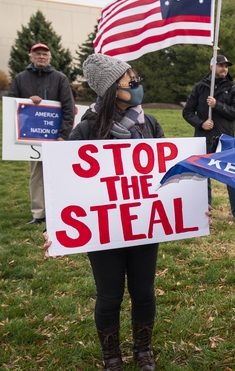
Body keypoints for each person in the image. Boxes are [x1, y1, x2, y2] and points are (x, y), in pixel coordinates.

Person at [68, 53, 164, 371]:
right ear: (111, 89)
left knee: (143, 290)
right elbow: (66, 185)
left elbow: (168, 174)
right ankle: (111, 355)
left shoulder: (148, 125)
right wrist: (53, 225)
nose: (137, 85)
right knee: (109, 295)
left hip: (143, 224)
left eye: (136, 79)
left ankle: (143, 350)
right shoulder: (85, 131)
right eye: (130, 80)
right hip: (103, 227)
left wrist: (192, 205)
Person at [8, 43, 74, 225]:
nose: (41, 57)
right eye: (37, 54)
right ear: (31, 57)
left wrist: (62, 136)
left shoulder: (60, 78)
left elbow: (69, 109)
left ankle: (61, 209)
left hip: (55, 137)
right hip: (31, 137)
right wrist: (26, 101)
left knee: (58, 174)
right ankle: (39, 214)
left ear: (49, 57)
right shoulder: (21, 78)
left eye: (45, 54)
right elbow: (10, 104)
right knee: (36, 175)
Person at [183, 55, 235, 222]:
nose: (224, 68)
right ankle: (205, 210)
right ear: (212, 67)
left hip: (225, 139)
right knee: (202, 176)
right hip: (203, 138)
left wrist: (217, 105)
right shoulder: (200, 88)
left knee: (231, 175)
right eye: (221, 65)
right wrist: (201, 124)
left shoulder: (233, 89)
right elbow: (187, 112)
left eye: (226, 66)